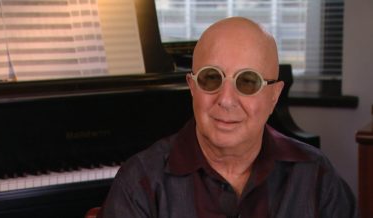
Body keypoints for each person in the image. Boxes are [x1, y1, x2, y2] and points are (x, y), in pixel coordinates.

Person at [98, 17, 358, 218]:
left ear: (274, 95)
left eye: (248, 82)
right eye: (211, 78)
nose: (226, 99)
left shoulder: (316, 175)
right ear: (192, 86)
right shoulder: (140, 182)